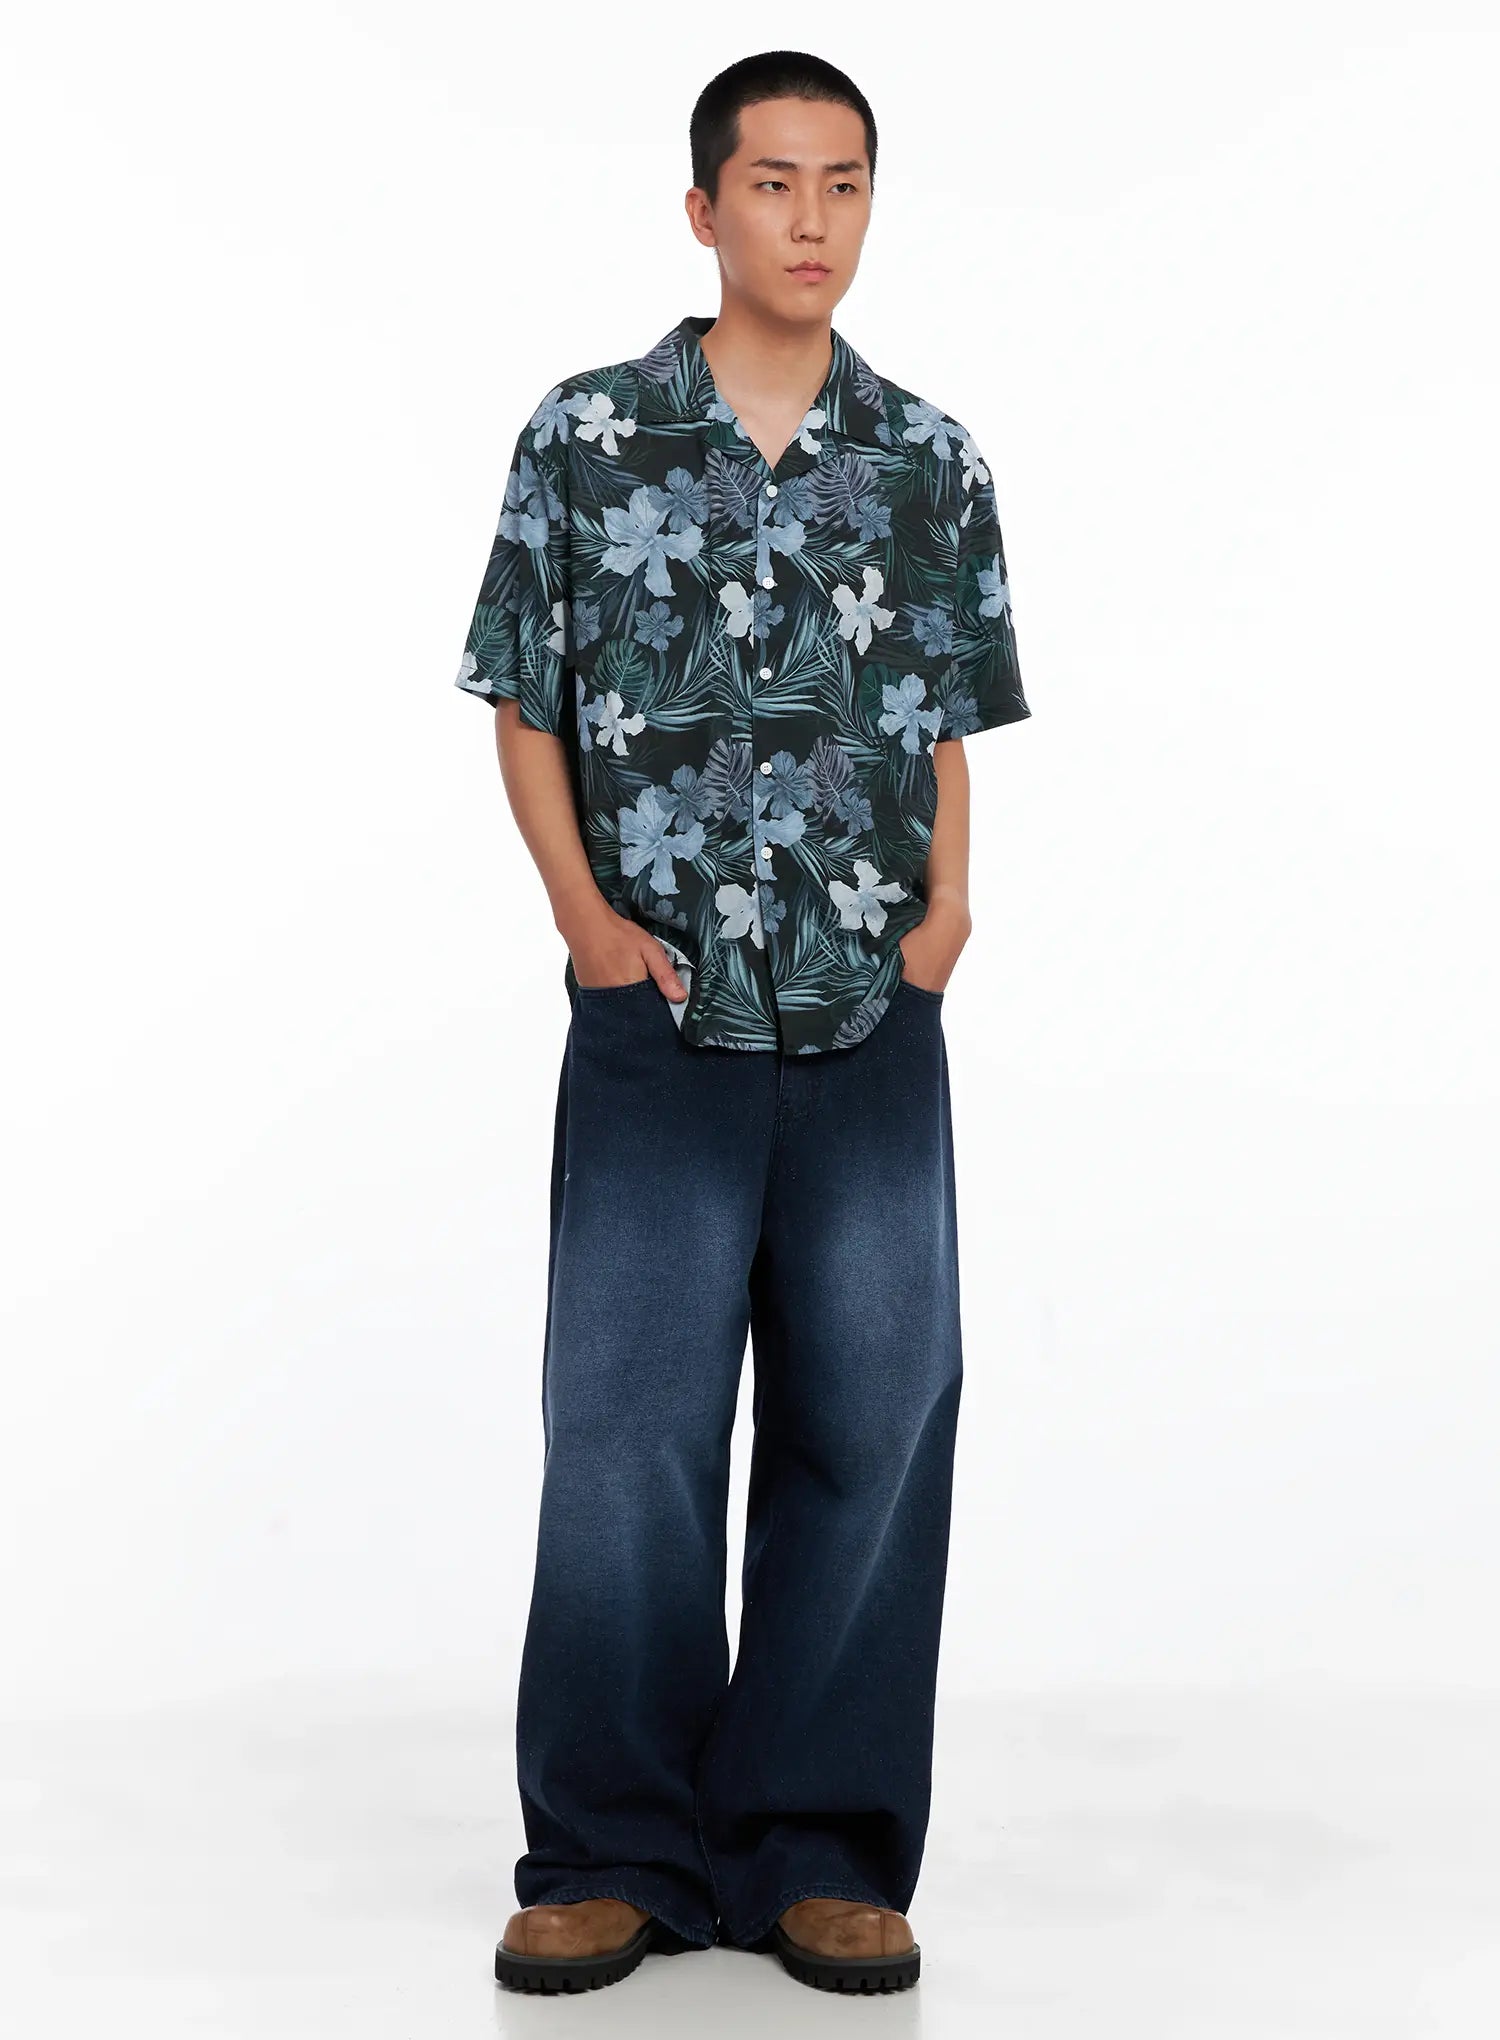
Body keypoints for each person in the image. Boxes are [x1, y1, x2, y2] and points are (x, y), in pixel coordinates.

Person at [453, 49, 1030, 1996]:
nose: (811, 220)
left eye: (843, 183)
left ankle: (820, 1848)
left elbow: (947, 719)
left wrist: (946, 922)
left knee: (878, 1414)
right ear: (704, 208)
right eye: (773, 183)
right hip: (659, 1013)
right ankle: (609, 1849)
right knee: (627, 1427)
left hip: (871, 1009)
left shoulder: (930, 458)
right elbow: (525, 698)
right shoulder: (589, 435)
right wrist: (586, 925)